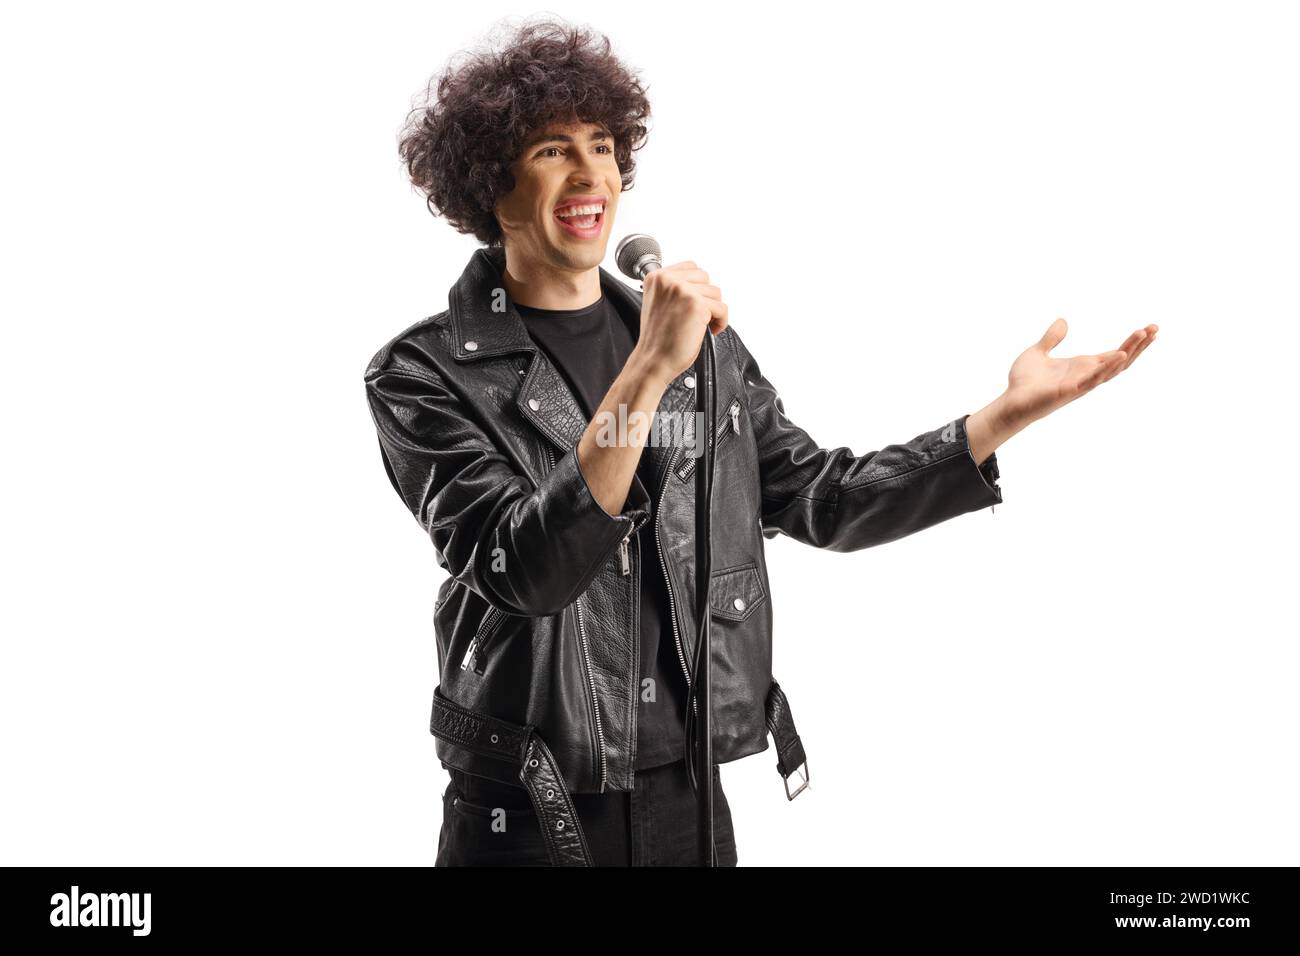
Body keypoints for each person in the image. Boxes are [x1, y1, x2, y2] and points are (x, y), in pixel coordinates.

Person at [363, 17, 1157, 867]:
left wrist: (997, 420)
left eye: (602, 146)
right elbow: (528, 569)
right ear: (491, 185)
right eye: (553, 151)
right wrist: (646, 373)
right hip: (527, 808)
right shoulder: (426, 374)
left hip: (689, 795)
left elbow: (820, 498)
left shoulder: (704, 353)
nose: (592, 173)